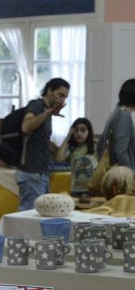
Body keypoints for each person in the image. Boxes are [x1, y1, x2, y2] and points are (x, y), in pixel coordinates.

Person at [16, 77, 70, 210]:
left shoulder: (46, 111)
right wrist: (47, 113)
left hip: (40, 173)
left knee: (41, 213)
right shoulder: (37, 105)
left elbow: (43, 140)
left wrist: (60, 150)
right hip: (31, 173)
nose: (62, 100)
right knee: (29, 215)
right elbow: (26, 127)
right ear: (49, 91)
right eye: (60, 95)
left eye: (65, 97)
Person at [97, 78, 135, 171]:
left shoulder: (117, 112)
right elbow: (120, 152)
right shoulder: (124, 116)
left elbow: (100, 145)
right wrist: (130, 173)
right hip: (122, 173)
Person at [55, 117, 97, 197]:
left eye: (83, 130)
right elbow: (59, 159)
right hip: (76, 190)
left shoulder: (95, 147)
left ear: (89, 132)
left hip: (92, 189)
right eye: (76, 130)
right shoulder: (72, 149)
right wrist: (68, 137)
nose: (79, 133)